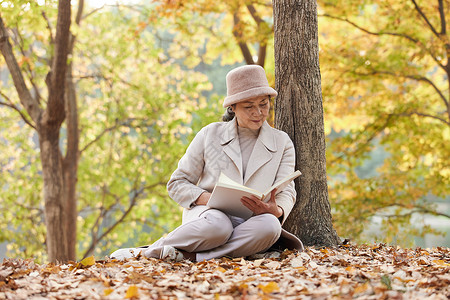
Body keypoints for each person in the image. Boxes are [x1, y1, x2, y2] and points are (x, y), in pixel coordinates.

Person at [110, 65, 304, 262]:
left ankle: (189, 256)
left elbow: (287, 190)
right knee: (219, 227)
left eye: (264, 104)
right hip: (209, 216)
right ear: (233, 107)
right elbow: (177, 183)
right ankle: (149, 251)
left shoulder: (282, 142)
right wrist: (210, 199)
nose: (258, 112)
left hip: (253, 222)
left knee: (270, 226)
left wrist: (276, 210)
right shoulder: (209, 134)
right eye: (248, 106)